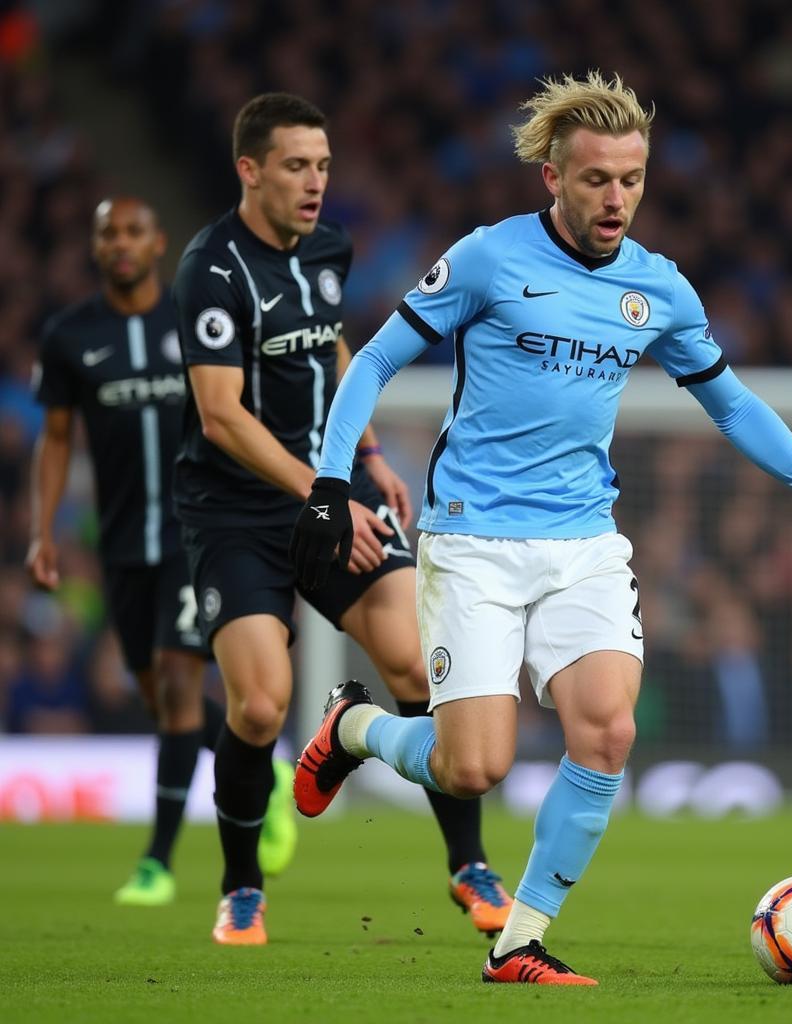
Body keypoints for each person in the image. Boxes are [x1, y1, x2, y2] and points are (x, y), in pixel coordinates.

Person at [289, 71, 792, 986]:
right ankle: (353, 731)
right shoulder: (490, 260)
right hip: (474, 542)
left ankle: (519, 944)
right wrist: (329, 484)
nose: (615, 197)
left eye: (631, 179)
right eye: (595, 179)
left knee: (607, 735)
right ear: (551, 175)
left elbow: (730, 404)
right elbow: (375, 359)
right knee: (472, 770)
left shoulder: (658, 288)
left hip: (583, 542)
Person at [172, 92, 510, 946]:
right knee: (257, 706)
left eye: (322, 165)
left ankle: (467, 865)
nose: (315, 182)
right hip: (235, 511)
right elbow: (220, 415)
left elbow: (330, 350)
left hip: (324, 484)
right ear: (249, 170)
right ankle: (241, 887)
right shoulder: (211, 270)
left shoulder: (328, 248)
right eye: (295, 165)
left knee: (415, 661)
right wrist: (322, 491)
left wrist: (365, 459)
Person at [27, 196, 296, 906]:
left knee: (180, 683)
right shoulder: (68, 335)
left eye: (134, 231)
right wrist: (44, 531)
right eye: (108, 231)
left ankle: (158, 862)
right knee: (156, 696)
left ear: (158, 244)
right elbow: (55, 441)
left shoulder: (197, 319)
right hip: (121, 546)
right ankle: (262, 780)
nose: (120, 242)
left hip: (195, 531)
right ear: (94, 246)